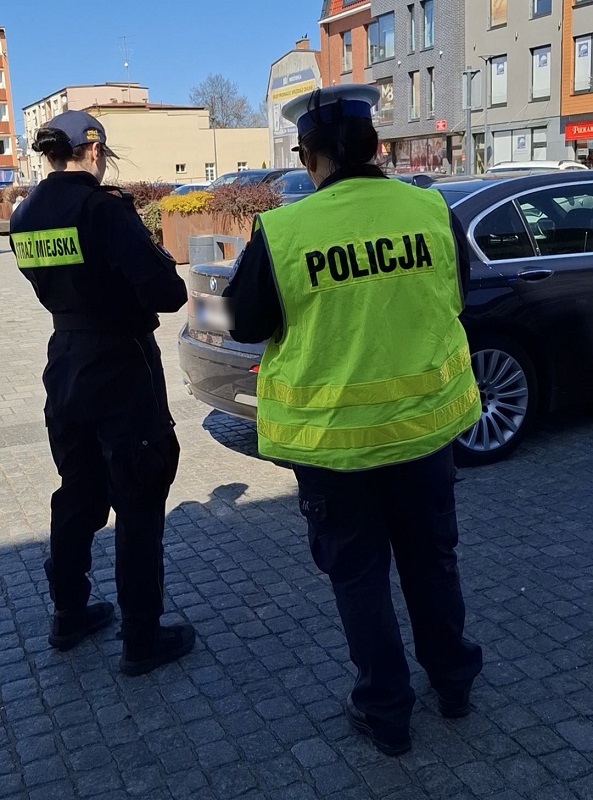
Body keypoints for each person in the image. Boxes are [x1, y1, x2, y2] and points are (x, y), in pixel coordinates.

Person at [224, 85, 483, 755]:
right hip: (423, 432)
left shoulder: (285, 231)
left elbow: (243, 323)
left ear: (308, 156)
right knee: (432, 563)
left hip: (334, 448)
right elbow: (459, 293)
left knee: (359, 577)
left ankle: (386, 713)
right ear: (375, 148)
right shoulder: (430, 209)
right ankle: (454, 683)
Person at [10, 111, 195, 675]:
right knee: (138, 497)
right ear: (94, 152)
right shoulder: (103, 209)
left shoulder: (24, 214)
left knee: (78, 491)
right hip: (121, 365)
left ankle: (68, 612)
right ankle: (141, 638)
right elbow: (167, 292)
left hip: (64, 363)